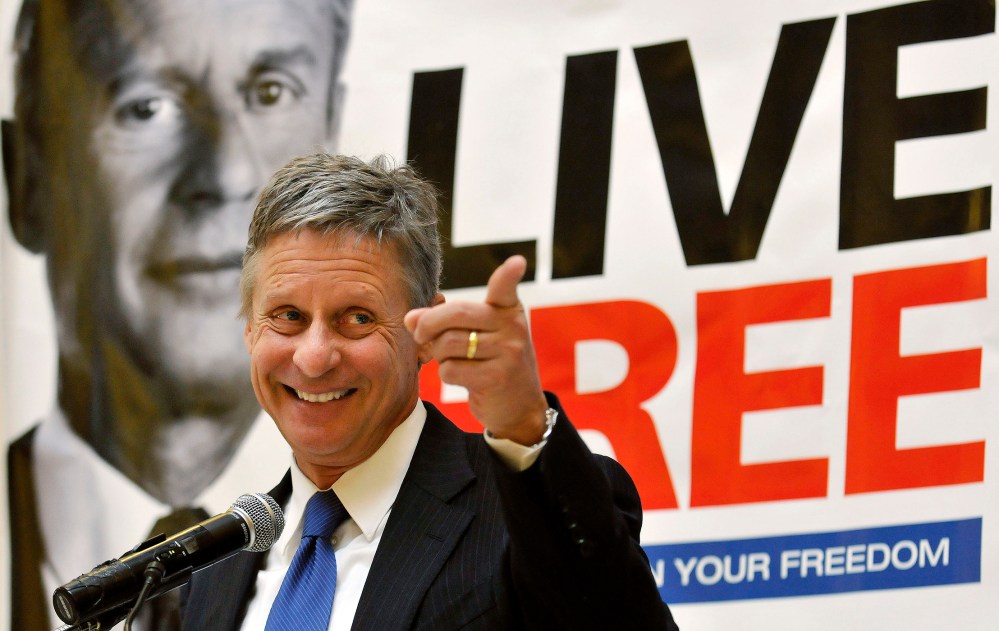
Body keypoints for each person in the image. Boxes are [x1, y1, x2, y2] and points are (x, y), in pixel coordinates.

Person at [179, 151, 679, 630]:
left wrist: (524, 424)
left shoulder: (525, 513)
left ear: (425, 332)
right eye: (288, 316)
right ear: (251, 331)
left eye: (358, 318)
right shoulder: (215, 568)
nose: (314, 357)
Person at [2, 0, 354, 628]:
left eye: (271, 93)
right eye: (145, 107)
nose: (227, 173)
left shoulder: (449, 534)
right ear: (27, 176)